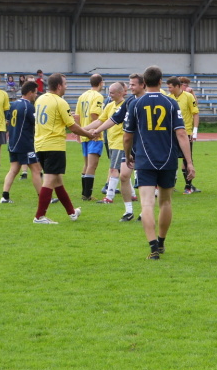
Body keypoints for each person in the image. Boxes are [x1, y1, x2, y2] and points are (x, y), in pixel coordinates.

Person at [125, 66, 194, 260]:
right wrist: (189, 162)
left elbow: (127, 136)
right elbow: (181, 133)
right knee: (165, 202)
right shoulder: (171, 103)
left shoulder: (135, 104)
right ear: (161, 81)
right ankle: (162, 241)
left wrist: (128, 155)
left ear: (144, 83)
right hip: (168, 159)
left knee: (147, 204)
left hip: (144, 159)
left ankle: (153, 247)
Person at [32, 73, 96, 224]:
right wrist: (89, 134)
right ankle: (39, 217)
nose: (66, 87)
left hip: (40, 144)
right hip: (54, 145)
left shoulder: (40, 99)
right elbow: (72, 127)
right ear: (59, 86)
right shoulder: (60, 102)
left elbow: (54, 119)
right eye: (65, 84)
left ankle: (72, 213)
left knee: (58, 181)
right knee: (49, 181)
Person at [86, 73, 145, 221]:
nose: (129, 87)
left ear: (142, 85)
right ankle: (128, 211)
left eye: (133, 84)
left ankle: (145, 211)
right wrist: (96, 131)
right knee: (124, 176)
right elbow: (114, 119)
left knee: (145, 181)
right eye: (129, 84)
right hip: (129, 146)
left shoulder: (149, 101)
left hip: (145, 146)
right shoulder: (129, 101)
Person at [93, 82, 135, 210]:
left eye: (112, 93)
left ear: (120, 93)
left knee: (113, 170)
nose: (109, 95)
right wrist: (85, 129)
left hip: (120, 143)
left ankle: (109, 196)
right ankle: (132, 194)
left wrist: (95, 131)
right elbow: (100, 120)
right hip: (111, 142)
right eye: (109, 92)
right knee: (122, 170)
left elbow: (113, 121)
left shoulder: (126, 106)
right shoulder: (110, 105)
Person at [0, 81, 43, 203]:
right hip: (24, 143)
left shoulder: (14, 104)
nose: (36, 95)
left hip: (13, 142)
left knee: (13, 169)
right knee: (36, 169)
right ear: (30, 93)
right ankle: (44, 198)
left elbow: (8, 121)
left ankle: (5, 197)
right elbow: (37, 123)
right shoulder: (28, 106)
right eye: (35, 92)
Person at [166, 76, 201, 194]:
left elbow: (195, 113)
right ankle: (171, 184)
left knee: (187, 159)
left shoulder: (188, 97)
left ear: (177, 86)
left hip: (186, 133)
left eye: (170, 87)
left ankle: (188, 186)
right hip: (171, 134)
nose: (169, 89)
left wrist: (194, 131)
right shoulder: (168, 98)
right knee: (171, 159)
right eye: (168, 87)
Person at [76, 74, 105, 201]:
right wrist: (97, 130)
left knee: (87, 164)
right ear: (101, 83)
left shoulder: (82, 96)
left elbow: (77, 116)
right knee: (92, 165)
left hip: (84, 132)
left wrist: (79, 132)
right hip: (93, 134)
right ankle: (87, 195)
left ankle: (85, 193)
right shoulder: (98, 96)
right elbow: (94, 114)